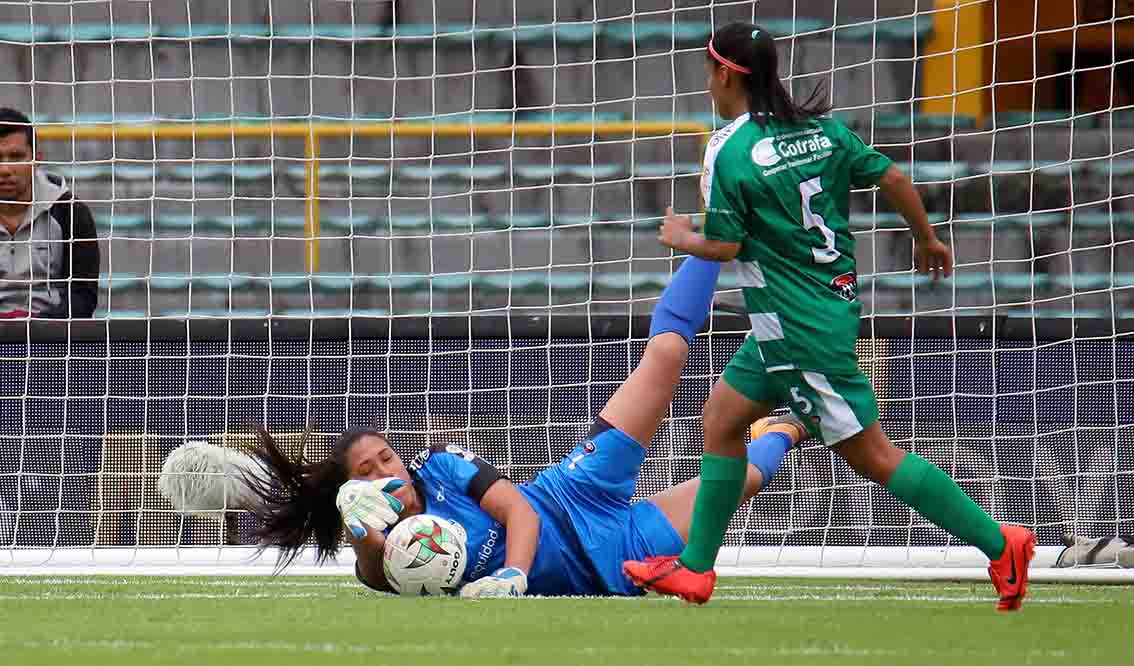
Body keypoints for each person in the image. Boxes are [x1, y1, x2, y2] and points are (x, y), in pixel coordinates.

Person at [622, 22, 1035, 610]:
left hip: (798, 328)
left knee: (873, 454)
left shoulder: (728, 150)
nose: (707, 83)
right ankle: (695, 568)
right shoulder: (821, 130)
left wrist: (681, 237)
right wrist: (927, 239)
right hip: (811, 309)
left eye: (709, 71)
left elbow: (726, 245)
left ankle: (1001, 543)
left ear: (726, 76)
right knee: (722, 418)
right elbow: (893, 176)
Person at [241, 254, 809, 597]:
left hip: (575, 490)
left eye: (386, 458)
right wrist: (360, 531)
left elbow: (519, 509)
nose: (385, 472)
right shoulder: (386, 551)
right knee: (738, 482)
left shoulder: (439, 468)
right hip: (616, 559)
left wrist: (514, 573)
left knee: (663, 357)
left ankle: (714, 237)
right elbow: (374, 572)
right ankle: (787, 430)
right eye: (367, 472)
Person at [0, 108, 99, 318]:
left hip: (50, 331)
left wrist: (41, 326)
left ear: (37, 159)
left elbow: (83, 296)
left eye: (16, 157)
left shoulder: (69, 210)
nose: (5, 169)